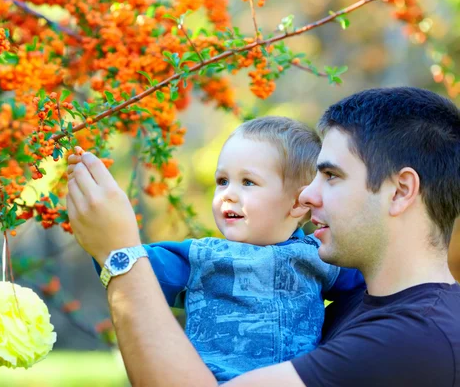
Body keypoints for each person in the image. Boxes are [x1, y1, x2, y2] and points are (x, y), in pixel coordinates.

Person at [66, 86, 460, 386]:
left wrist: (120, 255)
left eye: (332, 176)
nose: (306, 195)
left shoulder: (414, 338)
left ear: (401, 190)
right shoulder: (363, 304)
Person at [86, 116, 364, 382]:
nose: (228, 194)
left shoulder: (319, 255)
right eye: (222, 181)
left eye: (248, 182)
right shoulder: (202, 257)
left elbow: (372, 281)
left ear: (297, 203)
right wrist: (107, 234)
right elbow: (134, 267)